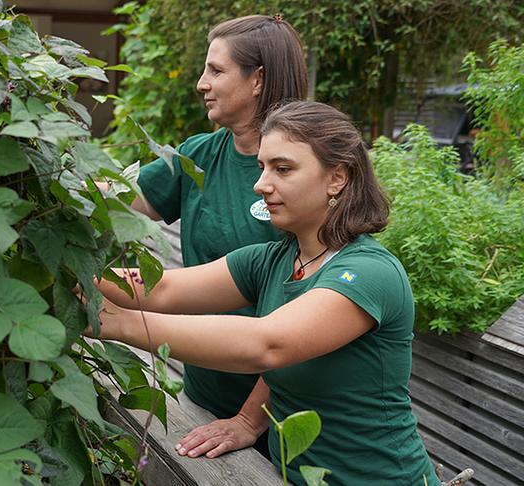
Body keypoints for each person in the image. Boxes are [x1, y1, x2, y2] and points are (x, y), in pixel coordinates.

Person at [88, 101, 440, 485]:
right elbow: (165, 289)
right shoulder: (274, 259)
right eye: (262, 167)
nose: (260, 184)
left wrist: (119, 323)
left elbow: (267, 345)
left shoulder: (369, 272)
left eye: (282, 169)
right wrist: (78, 276)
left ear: (337, 177)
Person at [101, 14, 308, 458]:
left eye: (216, 70)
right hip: (203, 394)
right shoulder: (200, 154)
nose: (201, 83)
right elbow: (115, 199)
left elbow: (302, 319)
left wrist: (250, 420)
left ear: (258, 80)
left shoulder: (298, 179)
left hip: (275, 415)